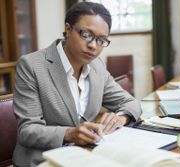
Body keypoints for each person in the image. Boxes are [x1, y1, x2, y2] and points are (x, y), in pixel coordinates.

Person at [13, 2, 142, 166]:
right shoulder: (32, 65)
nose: (93, 45)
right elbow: (27, 131)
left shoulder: (97, 67)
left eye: (101, 40)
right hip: (42, 160)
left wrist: (121, 117)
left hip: (85, 155)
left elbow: (131, 102)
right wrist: (70, 134)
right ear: (68, 29)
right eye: (86, 35)